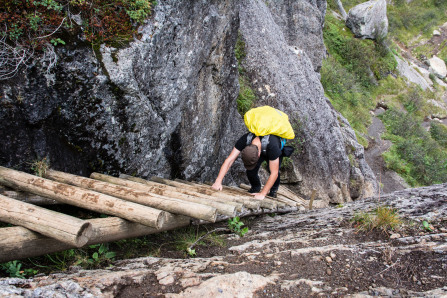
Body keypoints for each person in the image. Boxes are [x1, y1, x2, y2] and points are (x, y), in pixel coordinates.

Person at [211, 133, 283, 200]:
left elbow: (274, 173)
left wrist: (262, 194)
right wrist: (218, 181)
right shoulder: (245, 140)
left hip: (272, 149)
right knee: (251, 170)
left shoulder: (273, 146)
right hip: (260, 148)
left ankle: (273, 190)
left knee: (274, 170)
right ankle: (256, 187)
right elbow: (229, 160)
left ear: (258, 155)